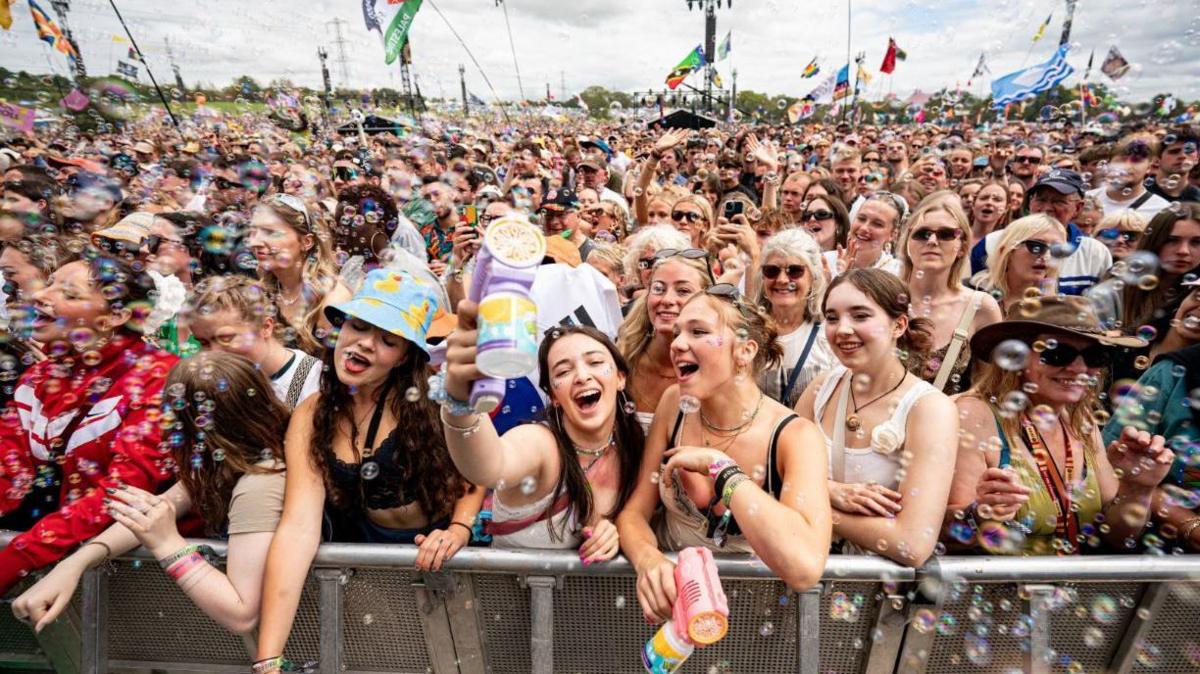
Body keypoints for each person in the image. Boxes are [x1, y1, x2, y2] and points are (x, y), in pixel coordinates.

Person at [255, 269, 481, 674]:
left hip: (449, 562)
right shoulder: (311, 414)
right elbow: (297, 530)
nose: (365, 343)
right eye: (359, 326)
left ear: (406, 356)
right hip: (368, 572)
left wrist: (458, 530)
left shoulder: (435, 401)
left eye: (387, 339)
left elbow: (478, 470)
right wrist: (268, 660)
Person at [11, 352, 288, 635]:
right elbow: (157, 507)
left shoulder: (260, 483)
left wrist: (167, 543)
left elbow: (241, 614)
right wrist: (74, 565)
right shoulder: (231, 462)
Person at [617, 284, 831, 623]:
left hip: (756, 614)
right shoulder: (674, 404)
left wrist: (724, 471)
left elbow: (804, 568)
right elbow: (634, 514)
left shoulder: (796, 437)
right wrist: (649, 560)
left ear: (744, 351)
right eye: (677, 333)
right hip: (671, 607)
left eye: (698, 331)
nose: (677, 344)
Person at [0, 254, 178, 594]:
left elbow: (120, 497)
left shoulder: (157, 377)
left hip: (139, 587)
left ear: (116, 316)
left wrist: (13, 561)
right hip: (57, 572)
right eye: (49, 283)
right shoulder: (38, 378)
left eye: (68, 293)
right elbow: (7, 472)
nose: (40, 296)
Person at [948, 296, 1174, 555]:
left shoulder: (1082, 421)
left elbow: (1116, 537)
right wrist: (979, 512)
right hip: (999, 587)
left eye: (1093, 355)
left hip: (1074, 588)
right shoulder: (975, 415)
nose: (1079, 368)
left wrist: (1138, 489)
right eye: (1058, 353)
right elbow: (948, 534)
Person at [438, 321, 643, 555]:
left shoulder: (636, 447)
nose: (582, 376)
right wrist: (461, 398)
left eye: (595, 362)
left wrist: (619, 533)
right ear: (553, 395)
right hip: (508, 591)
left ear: (620, 378)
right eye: (563, 371)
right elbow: (489, 465)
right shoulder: (541, 444)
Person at [795, 269, 956, 565]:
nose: (842, 329)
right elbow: (778, 475)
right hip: (807, 573)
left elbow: (912, 544)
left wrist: (816, 506)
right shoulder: (821, 389)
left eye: (860, 316)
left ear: (899, 325)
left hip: (880, 593)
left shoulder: (929, 409)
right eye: (832, 318)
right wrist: (831, 490)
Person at [899, 198, 1002, 393]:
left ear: (962, 247)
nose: (932, 241)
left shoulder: (981, 306)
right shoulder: (883, 297)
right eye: (922, 234)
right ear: (907, 243)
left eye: (946, 234)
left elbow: (988, 387)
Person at [187, 275, 322, 409]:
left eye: (226, 338)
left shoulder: (314, 381)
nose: (214, 353)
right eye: (203, 343)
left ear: (265, 327)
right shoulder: (214, 384)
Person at [618, 251, 713, 432]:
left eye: (683, 291)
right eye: (659, 289)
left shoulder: (717, 370)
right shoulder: (622, 358)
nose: (667, 300)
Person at [247, 193, 351, 354]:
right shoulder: (264, 291)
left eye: (270, 232)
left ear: (305, 242)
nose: (255, 242)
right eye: (253, 232)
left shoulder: (331, 302)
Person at [753, 229, 835, 408]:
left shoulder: (828, 334)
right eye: (772, 271)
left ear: (813, 277)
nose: (782, 280)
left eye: (794, 271)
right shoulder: (749, 331)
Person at [972, 214, 1067, 311]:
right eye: (1036, 246)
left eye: (1056, 249)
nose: (1047, 256)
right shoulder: (973, 297)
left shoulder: (1057, 309)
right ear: (1007, 251)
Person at [1086, 134, 1171, 221]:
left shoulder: (1161, 210)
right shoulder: (1086, 200)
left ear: (1149, 167)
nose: (1127, 166)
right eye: (1122, 160)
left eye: (1137, 161)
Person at [824, 191, 907, 276]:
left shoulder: (899, 272)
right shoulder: (824, 261)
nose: (864, 228)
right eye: (861, 218)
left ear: (892, 235)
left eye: (877, 224)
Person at [1144, 127, 1200, 203]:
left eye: (1189, 150)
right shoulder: (1140, 191)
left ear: (1197, 158)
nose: (1182, 156)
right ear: (1158, 159)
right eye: (1174, 151)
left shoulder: (1197, 199)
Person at [967, 180, 1010, 247]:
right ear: (973, 204)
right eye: (983, 198)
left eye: (997, 199)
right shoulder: (956, 235)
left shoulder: (1006, 245)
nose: (989, 202)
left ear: (1006, 208)